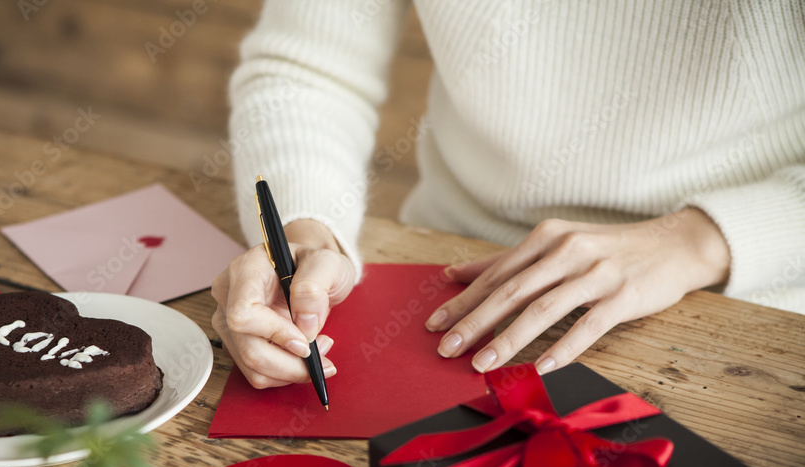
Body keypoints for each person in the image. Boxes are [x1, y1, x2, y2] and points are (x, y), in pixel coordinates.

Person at [211, 1, 805, 390]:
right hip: (450, 264)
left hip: (745, 297)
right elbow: (306, 70)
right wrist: (306, 230)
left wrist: (698, 241)